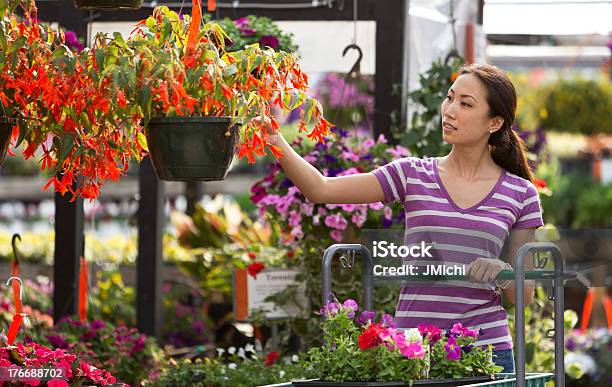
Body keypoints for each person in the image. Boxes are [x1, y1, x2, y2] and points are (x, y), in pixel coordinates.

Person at [265, 63, 543, 373]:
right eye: (450, 98)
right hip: (414, 351)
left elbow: (524, 296)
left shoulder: (521, 193)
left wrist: (504, 271)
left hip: (486, 353)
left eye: (465, 104)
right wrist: (277, 141)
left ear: (494, 122)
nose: (449, 110)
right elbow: (321, 189)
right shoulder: (412, 175)